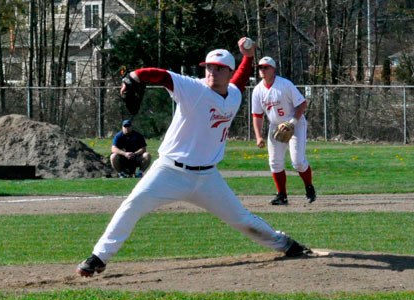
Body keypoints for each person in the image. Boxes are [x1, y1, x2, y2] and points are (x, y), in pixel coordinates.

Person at [76, 38, 312, 277]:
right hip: (169, 171)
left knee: (243, 219)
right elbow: (162, 75)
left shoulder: (234, 95)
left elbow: (240, 79)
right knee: (131, 206)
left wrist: (249, 58)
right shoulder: (194, 88)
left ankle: (287, 245)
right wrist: (136, 76)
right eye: (209, 67)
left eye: (219, 68)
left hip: (208, 178)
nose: (212, 72)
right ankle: (99, 257)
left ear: (228, 72)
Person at [251, 56, 316, 205]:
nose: (262, 70)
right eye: (260, 67)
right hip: (275, 126)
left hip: (295, 123)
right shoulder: (257, 90)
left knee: (298, 162)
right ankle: (282, 196)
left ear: (273, 69)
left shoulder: (285, 85)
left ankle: (309, 186)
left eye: (265, 67)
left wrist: (292, 122)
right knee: (274, 162)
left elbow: (302, 104)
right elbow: (257, 115)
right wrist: (258, 136)